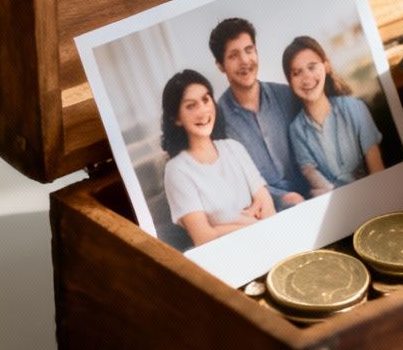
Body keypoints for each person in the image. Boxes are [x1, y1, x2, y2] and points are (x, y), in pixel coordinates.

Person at [158, 70, 276, 246]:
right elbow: (203, 238)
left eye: (206, 100)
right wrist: (251, 224)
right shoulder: (176, 170)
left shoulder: (233, 147)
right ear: (176, 119)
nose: (203, 110)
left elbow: (266, 203)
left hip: (268, 240)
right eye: (191, 106)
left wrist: (223, 226)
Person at [206, 17, 308, 208]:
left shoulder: (288, 95)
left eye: (249, 50)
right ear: (220, 65)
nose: (245, 60)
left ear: (256, 51)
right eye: (234, 55)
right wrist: (282, 198)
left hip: (312, 194)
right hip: (266, 210)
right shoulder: (216, 121)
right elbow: (235, 182)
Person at [283, 36, 384, 194]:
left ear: (326, 67)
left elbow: (378, 170)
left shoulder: (354, 107)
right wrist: (331, 191)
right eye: (297, 73)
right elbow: (309, 171)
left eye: (312, 67)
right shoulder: (296, 129)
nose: (306, 77)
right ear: (290, 82)